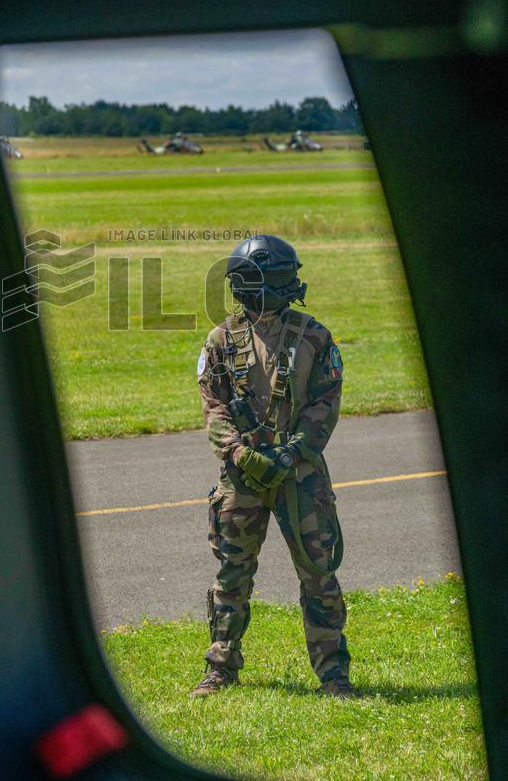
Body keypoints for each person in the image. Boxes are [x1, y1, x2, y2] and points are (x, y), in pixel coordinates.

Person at [190, 234, 357, 699]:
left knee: (318, 574)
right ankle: (220, 668)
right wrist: (240, 454)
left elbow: (325, 404)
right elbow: (214, 408)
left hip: (300, 475)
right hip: (241, 477)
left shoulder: (314, 336)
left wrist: (291, 453)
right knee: (232, 574)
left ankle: (334, 675)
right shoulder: (221, 340)